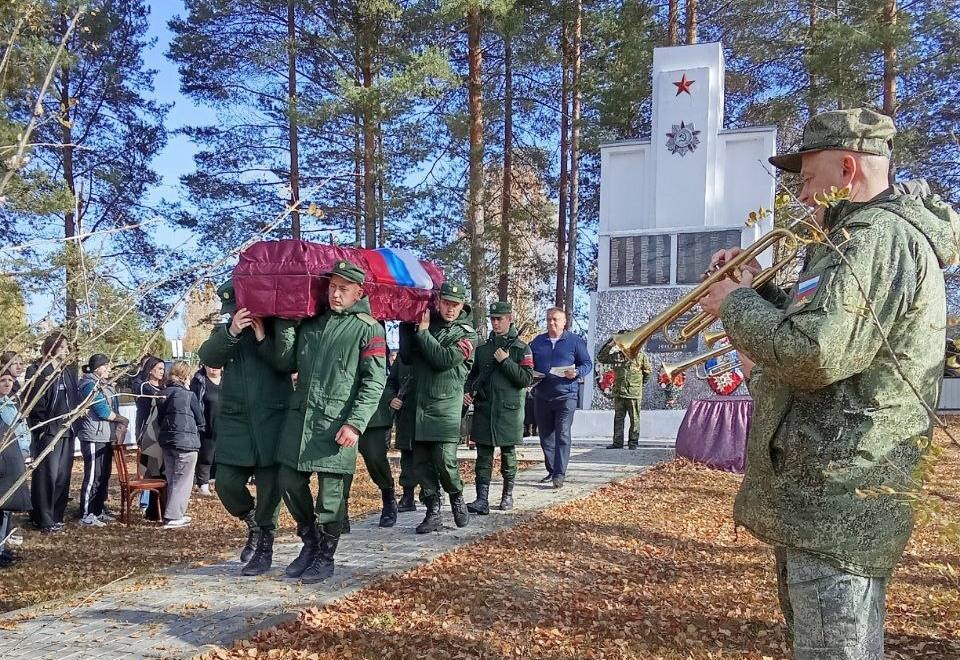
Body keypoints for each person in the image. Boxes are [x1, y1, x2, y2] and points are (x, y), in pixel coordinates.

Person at [698, 108, 957, 659]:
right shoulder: (853, 238)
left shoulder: (876, 237)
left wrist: (737, 305)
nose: (798, 189)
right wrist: (756, 293)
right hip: (824, 494)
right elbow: (822, 337)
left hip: (841, 495)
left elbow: (815, 355)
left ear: (846, 168)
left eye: (806, 175)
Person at [274, 261, 387, 583]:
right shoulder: (310, 325)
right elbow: (285, 362)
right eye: (332, 286)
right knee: (289, 481)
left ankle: (325, 555)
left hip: (337, 423)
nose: (335, 294)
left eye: (344, 288)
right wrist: (286, 322)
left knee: (331, 496)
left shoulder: (369, 328)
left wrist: (355, 423)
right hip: (301, 421)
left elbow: (374, 381)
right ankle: (309, 542)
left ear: (358, 292)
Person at [197, 281, 291, 576]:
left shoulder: (277, 329)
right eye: (232, 311)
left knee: (269, 489)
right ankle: (251, 521)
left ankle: (265, 543)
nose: (236, 313)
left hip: (271, 422)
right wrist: (233, 331)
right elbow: (210, 357)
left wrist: (262, 335)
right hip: (237, 424)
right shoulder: (224, 333)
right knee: (226, 483)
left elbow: (285, 362)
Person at [399, 282, 478, 534]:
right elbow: (407, 357)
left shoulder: (467, 334)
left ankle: (456, 496)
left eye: (455, 305)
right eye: (446, 303)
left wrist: (422, 334)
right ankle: (432, 509)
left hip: (445, 405)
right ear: (438, 302)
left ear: (462, 306)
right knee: (421, 462)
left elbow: (443, 359)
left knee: (444, 460)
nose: (450, 309)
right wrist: (406, 325)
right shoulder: (426, 325)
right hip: (420, 404)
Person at [464, 301, 534, 515]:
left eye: (499, 318)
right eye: (493, 319)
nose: (495, 322)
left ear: (509, 319)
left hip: (509, 411)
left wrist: (506, 362)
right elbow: (472, 376)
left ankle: (507, 495)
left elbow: (526, 379)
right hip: (485, 408)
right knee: (483, 456)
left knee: (508, 455)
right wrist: (468, 391)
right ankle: (481, 500)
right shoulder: (483, 349)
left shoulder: (521, 348)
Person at [529, 308, 592, 489]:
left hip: (566, 395)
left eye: (555, 319)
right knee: (545, 436)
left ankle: (559, 474)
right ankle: (552, 469)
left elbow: (587, 363)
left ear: (564, 322)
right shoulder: (538, 342)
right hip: (541, 395)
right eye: (548, 319)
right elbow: (528, 363)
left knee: (563, 433)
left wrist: (577, 372)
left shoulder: (575, 342)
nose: (551, 323)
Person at [23, 331, 79, 533]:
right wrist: (42, 427)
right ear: (52, 347)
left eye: (66, 346)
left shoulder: (67, 372)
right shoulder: (39, 371)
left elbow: (74, 398)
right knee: (47, 475)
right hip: (48, 432)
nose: (66, 350)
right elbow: (35, 403)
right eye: (62, 346)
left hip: (67, 430)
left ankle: (57, 515)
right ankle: (43, 517)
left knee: (63, 476)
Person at [345, 341, 399, 528]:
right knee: (339, 464)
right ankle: (338, 512)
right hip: (341, 403)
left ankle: (388, 498)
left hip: (373, 408)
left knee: (376, 459)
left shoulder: (374, 326)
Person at [77, 354, 128, 526]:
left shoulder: (106, 385)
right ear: (98, 367)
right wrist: (121, 419)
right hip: (92, 435)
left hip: (106, 436)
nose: (109, 369)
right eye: (106, 366)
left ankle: (97, 510)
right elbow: (102, 410)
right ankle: (86, 513)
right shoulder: (89, 385)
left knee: (104, 475)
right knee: (93, 476)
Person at [156, 361, 205, 529]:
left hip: (167, 441)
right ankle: (173, 516)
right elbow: (200, 419)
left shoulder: (162, 394)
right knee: (183, 480)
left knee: (172, 478)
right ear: (186, 376)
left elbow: (160, 419)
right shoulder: (188, 395)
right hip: (186, 442)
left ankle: (175, 513)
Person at [597, 334, 653, 450]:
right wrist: (611, 344)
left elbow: (648, 372)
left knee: (634, 419)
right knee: (618, 418)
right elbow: (601, 358)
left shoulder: (640, 356)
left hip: (633, 393)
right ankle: (617, 443)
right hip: (619, 392)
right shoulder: (617, 355)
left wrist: (640, 385)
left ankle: (633, 443)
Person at [0, 369, 30, 566]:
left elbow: (22, 428)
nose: (7, 383)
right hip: (4, 459)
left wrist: (26, 450)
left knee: (7, 508)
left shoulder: (11, 403)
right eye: (3, 380)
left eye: (10, 380)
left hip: (16, 457)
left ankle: (2, 547)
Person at [132, 356, 165, 518]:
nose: (162, 372)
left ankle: (157, 504)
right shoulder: (143, 386)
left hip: (162, 433)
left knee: (160, 469)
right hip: (147, 432)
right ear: (150, 369)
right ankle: (144, 503)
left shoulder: (165, 386)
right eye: (159, 368)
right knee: (147, 469)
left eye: (163, 369)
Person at [388, 355, 420, 513]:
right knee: (407, 456)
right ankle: (408, 496)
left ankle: (433, 494)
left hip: (428, 414)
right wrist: (392, 398)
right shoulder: (402, 356)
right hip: (406, 414)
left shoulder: (435, 350)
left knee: (433, 456)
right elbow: (391, 382)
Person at [190, 364, 222, 497]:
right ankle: (203, 484)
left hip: (226, 425)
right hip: (206, 424)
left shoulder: (229, 379)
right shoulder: (199, 381)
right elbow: (194, 403)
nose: (213, 368)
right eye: (210, 364)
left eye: (217, 365)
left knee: (223, 455)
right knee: (206, 455)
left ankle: (221, 483)